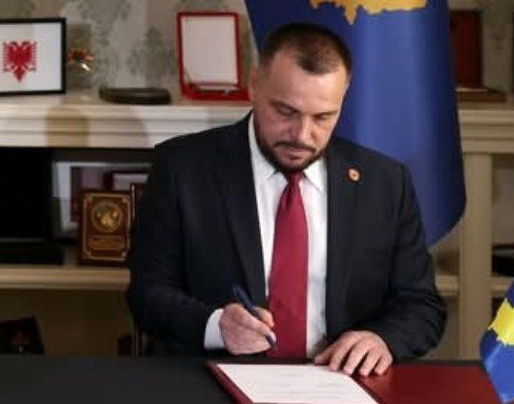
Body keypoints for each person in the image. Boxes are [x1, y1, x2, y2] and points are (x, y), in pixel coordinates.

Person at [127, 21, 445, 375]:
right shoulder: (182, 168)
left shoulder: (385, 183)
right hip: (216, 378)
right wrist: (216, 326)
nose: (302, 135)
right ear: (255, 85)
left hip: (340, 383)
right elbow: (147, 295)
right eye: (285, 112)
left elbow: (421, 305)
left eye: (323, 117)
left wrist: (381, 339)